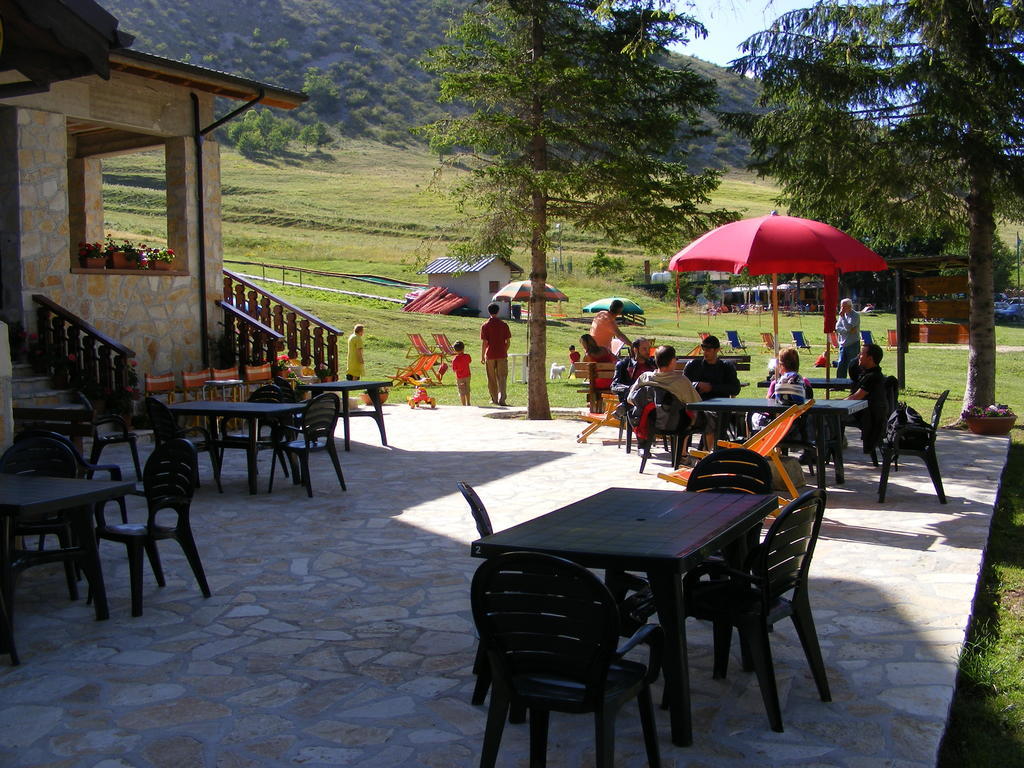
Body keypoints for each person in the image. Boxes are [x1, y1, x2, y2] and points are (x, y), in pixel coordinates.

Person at [683, 334, 740, 449]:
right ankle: (692, 451)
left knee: (718, 416)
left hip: (720, 405)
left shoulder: (726, 367)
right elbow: (683, 385)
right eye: (703, 349)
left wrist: (712, 387)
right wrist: (697, 385)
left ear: (717, 350)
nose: (705, 352)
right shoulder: (693, 365)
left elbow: (735, 388)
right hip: (697, 404)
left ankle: (709, 449)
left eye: (709, 349)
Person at [846, 343, 888, 454]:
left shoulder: (873, 377)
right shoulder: (869, 374)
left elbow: (856, 397)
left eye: (861, 354)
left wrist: (834, 404)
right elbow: (853, 367)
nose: (858, 356)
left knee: (830, 418)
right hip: (864, 413)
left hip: (867, 416)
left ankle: (830, 447)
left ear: (870, 358)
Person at [480, 302, 511, 406]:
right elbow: (508, 342)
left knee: (491, 377)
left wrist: (483, 356)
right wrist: (504, 350)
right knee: (502, 377)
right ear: (498, 311)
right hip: (502, 353)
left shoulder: (485, 325)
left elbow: (485, 343)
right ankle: (502, 398)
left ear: (489, 311)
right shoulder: (504, 325)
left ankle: (494, 398)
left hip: (490, 354)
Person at [611, 337, 656, 403]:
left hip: (652, 398)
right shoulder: (624, 365)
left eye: (649, 348)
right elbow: (614, 386)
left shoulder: (653, 364)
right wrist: (631, 388)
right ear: (635, 349)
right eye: (644, 349)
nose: (648, 351)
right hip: (632, 399)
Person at [835, 298, 861, 379]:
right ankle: (839, 384)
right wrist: (846, 330)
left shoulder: (855, 315)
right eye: (841, 306)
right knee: (841, 364)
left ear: (850, 306)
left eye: (844, 306)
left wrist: (843, 318)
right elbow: (837, 327)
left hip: (853, 343)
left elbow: (849, 328)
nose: (842, 309)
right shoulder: (842, 315)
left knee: (853, 365)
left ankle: (854, 382)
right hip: (842, 344)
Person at [452, 340, 472, 406]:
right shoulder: (467, 356)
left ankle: (463, 405)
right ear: (463, 348)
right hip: (467, 376)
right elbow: (469, 361)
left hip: (460, 377)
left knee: (461, 391)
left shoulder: (455, 359)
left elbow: (454, 370)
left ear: (455, 350)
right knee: (467, 389)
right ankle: (468, 403)